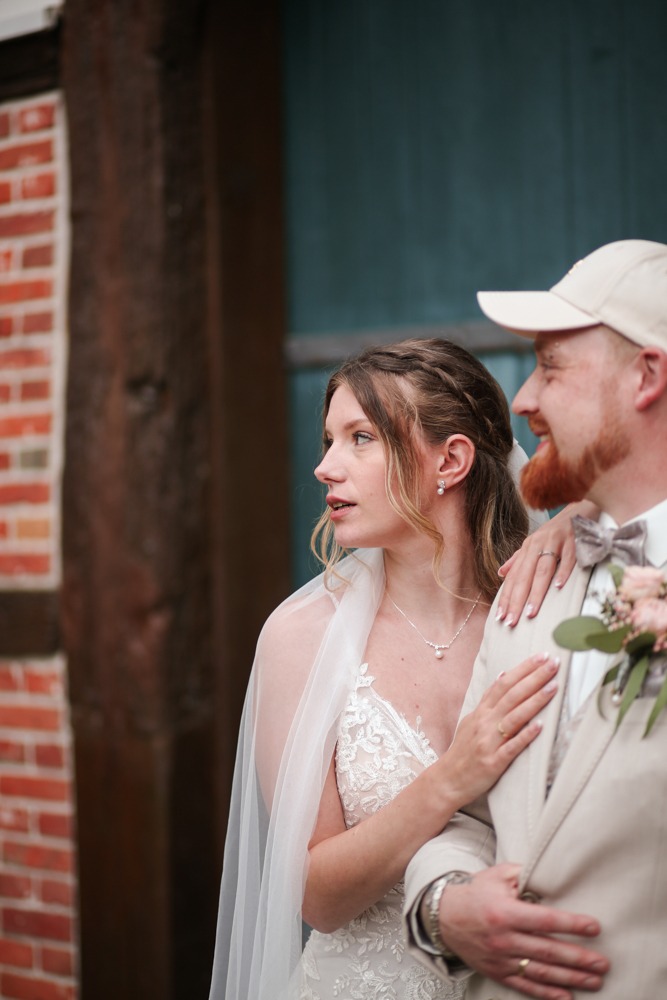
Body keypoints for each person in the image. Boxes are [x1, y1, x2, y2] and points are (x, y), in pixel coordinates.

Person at [208, 337, 584, 1000]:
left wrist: (579, 516)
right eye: (329, 440)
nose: (325, 467)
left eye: (360, 439)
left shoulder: (542, 612)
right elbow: (316, 898)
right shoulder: (299, 639)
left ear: (451, 460)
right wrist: (450, 779)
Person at [404, 238, 667, 1000]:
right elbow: (469, 812)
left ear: (645, 376)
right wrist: (444, 906)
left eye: (550, 368)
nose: (520, 400)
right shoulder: (531, 587)